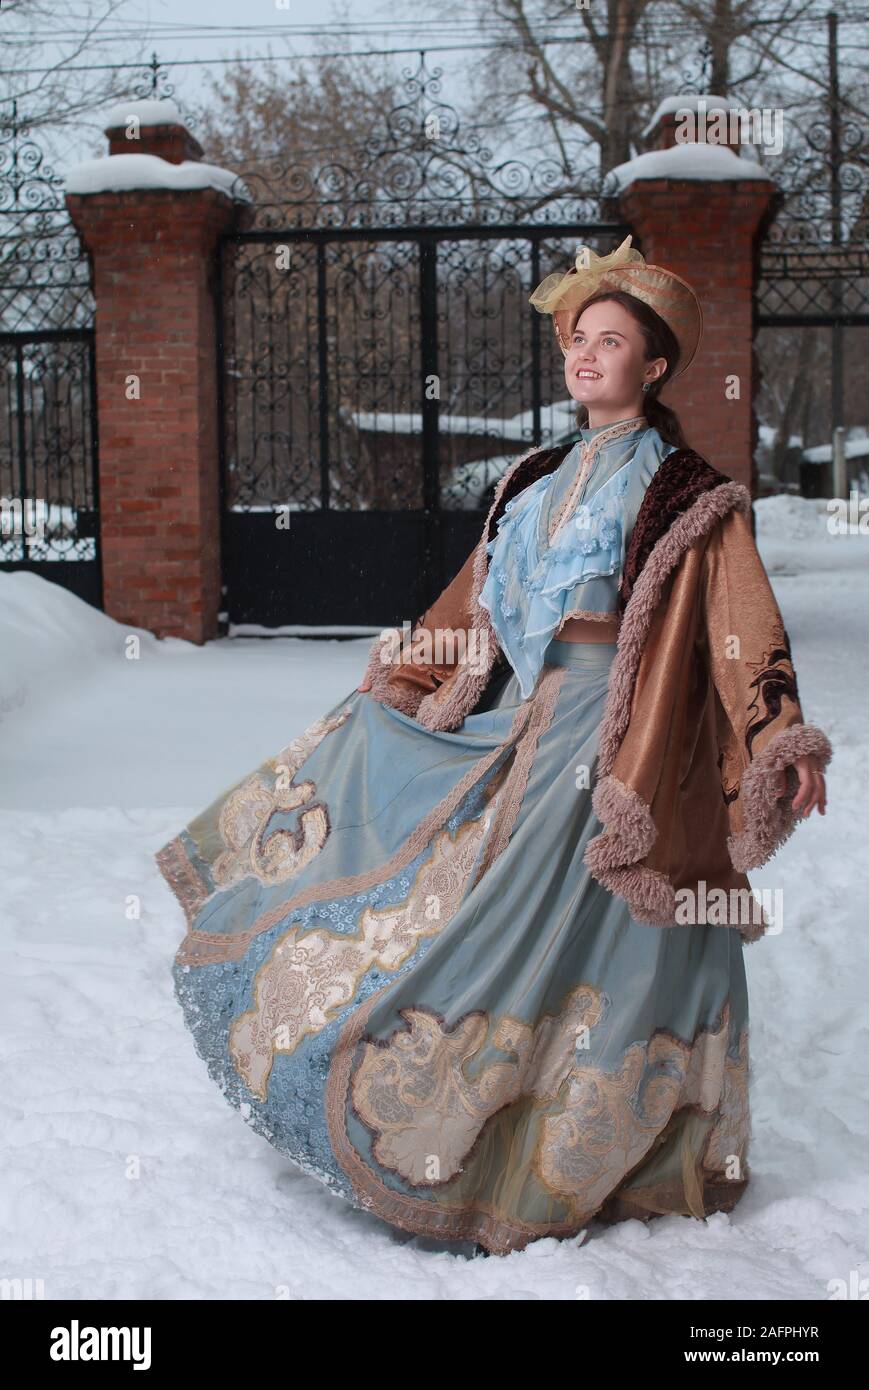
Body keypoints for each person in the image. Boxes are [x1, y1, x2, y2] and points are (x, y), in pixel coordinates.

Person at [155, 235, 830, 1258]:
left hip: (626, 743)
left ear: (652, 368)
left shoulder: (686, 493)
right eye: (578, 338)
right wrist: (406, 679)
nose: (586, 355)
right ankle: (464, 1110)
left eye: (611, 342)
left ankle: (603, 1145)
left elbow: (741, 628)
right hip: (536, 719)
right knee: (474, 897)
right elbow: (469, 605)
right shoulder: (532, 474)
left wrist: (778, 735)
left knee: (559, 923)